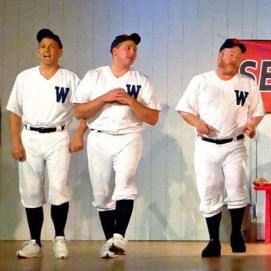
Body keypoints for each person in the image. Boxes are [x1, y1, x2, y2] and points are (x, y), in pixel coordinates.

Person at [72, 33, 161, 258]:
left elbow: (152, 118)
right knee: (101, 193)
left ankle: (119, 236)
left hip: (129, 136)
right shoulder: (95, 76)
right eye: (128, 48)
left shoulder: (142, 80)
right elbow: (78, 111)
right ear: (114, 50)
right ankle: (110, 243)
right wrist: (104, 98)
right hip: (99, 137)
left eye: (135, 50)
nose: (132, 53)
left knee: (125, 181)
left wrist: (131, 101)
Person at [176, 38, 265, 257]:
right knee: (209, 190)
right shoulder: (201, 81)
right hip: (206, 146)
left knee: (237, 188)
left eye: (239, 56)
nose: (235, 59)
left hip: (234, 144)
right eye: (231, 54)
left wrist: (251, 126)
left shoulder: (247, 83)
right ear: (220, 56)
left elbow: (257, 111)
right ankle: (213, 240)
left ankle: (236, 234)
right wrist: (198, 123)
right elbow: (185, 109)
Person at [7, 28, 86, 259]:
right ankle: (34, 241)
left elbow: (83, 110)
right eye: (42, 46)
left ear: (60, 51)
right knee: (31, 189)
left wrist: (79, 133)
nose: (46, 50)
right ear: (38, 51)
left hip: (58, 136)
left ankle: (59, 238)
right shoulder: (25, 77)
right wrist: (15, 142)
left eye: (51, 46)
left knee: (58, 186)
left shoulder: (70, 78)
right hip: (29, 137)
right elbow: (14, 113)